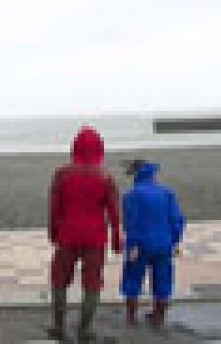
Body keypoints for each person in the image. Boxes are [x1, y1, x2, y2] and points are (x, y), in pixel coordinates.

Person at [48, 126, 122, 341]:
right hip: (95, 236)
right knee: (92, 282)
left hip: (67, 234)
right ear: (99, 148)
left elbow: (54, 207)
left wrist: (53, 232)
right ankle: (85, 328)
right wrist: (117, 240)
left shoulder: (62, 174)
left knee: (59, 279)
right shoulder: (105, 176)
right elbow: (114, 213)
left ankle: (59, 326)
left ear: (75, 148)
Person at [120, 161, 185, 328]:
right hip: (164, 242)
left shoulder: (131, 195)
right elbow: (177, 219)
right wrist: (176, 240)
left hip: (140, 242)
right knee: (163, 279)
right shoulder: (167, 193)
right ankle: (159, 316)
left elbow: (131, 222)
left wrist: (132, 244)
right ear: (152, 175)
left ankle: (131, 318)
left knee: (133, 278)